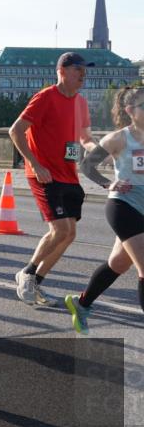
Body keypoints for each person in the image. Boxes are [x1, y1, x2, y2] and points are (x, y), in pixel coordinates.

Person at [9, 51, 97, 307]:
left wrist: (103, 150)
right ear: (62, 71)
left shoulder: (80, 102)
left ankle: (36, 280)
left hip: (68, 175)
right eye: (78, 69)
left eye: (85, 69)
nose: (83, 74)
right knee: (60, 229)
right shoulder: (46, 96)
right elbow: (16, 131)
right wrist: (35, 165)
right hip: (44, 174)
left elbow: (85, 138)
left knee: (69, 234)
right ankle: (27, 272)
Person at [67, 85, 144, 333]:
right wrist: (108, 183)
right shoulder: (119, 138)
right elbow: (87, 166)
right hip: (124, 205)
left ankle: (82, 304)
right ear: (130, 110)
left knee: (118, 263)